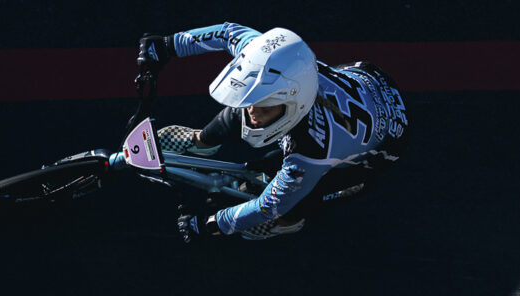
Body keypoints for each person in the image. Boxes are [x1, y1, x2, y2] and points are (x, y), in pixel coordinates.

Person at [136, 24, 409, 242]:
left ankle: (288, 225)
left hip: (384, 146)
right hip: (368, 80)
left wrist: (213, 224)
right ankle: (201, 143)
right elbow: (228, 32)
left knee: (301, 197)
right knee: (247, 100)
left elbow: (269, 206)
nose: (253, 114)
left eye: (265, 110)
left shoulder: (312, 151)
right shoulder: (276, 66)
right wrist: (167, 45)